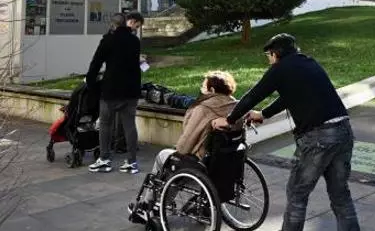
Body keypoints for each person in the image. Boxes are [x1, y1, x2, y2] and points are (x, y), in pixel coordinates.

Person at [212, 33, 360, 231]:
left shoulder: (280, 68)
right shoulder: (309, 63)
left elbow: (253, 95)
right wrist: (263, 114)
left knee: (297, 195)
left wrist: (229, 120)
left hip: (318, 137)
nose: (269, 60)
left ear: (275, 54)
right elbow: (288, 97)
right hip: (343, 131)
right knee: (340, 195)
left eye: (268, 56)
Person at [128, 71, 241, 223]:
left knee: (165, 158)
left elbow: (185, 144)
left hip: (201, 163)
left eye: (203, 86)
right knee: (174, 164)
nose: (201, 89)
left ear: (212, 90)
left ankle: (148, 205)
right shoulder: (236, 107)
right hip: (226, 161)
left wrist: (178, 149)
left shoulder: (203, 109)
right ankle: (168, 201)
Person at [86, 11, 144, 174]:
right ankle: (132, 162)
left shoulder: (108, 40)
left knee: (105, 124)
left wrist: (90, 82)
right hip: (131, 90)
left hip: (111, 89)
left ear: (113, 24)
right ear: (126, 23)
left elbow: (96, 63)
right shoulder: (135, 41)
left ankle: (104, 159)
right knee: (130, 125)